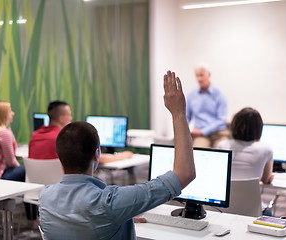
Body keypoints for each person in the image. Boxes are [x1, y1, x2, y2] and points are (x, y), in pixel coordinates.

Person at [39, 71, 195, 240]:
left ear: (60, 156)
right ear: (96, 154)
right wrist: (178, 114)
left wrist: (121, 216)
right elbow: (183, 174)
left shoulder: (45, 197)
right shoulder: (109, 203)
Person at [29, 101, 132, 162]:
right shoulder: (65, 138)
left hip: (41, 189)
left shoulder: (35, 135)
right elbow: (95, 159)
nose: (71, 118)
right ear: (61, 118)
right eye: (69, 115)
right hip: (65, 188)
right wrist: (122, 156)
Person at [218, 107, 274, 184]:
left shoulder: (222, 145)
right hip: (252, 195)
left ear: (234, 126)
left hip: (225, 195)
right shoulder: (266, 149)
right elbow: (266, 180)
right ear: (259, 128)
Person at [186, 66, 228, 148]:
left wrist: (203, 131)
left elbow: (222, 120)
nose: (199, 79)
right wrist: (185, 132)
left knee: (223, 151)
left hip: (219, 133)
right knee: (198, 151)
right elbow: (186, 117)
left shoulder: (219, 94)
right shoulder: (191, 95)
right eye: (197, 76)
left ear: (209, 74)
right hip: (200, 136)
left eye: (201, 75)